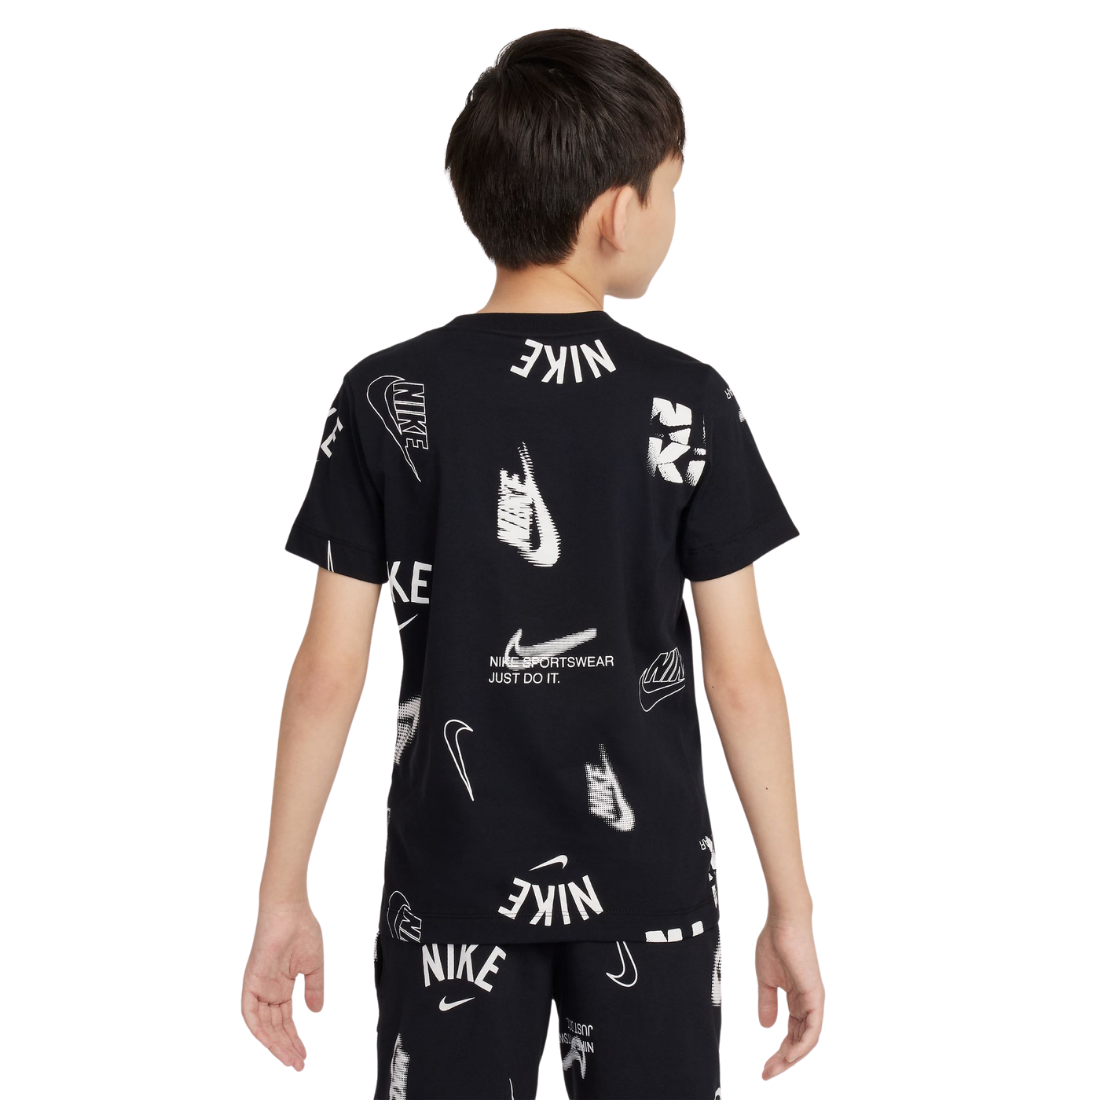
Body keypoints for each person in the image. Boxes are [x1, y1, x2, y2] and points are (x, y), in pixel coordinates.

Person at [241, 27, 823, 1099]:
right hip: (650, 888)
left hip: (447, 891)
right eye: (670, 187)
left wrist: (283, 892)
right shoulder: (686, 401)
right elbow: (740, 674)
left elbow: (328, 669)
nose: (671, 215)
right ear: (616, 212)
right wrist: (792, 903)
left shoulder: (382, 395)